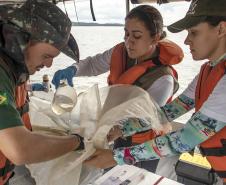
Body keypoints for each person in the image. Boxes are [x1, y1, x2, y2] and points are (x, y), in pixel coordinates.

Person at [84, 0, 226, 183]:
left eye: (194, 32)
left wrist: (116, 156)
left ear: (221, 29)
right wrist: (122, 129)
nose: (186, 40)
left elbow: (186, 138)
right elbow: (167, 112)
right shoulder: (209, 70)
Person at [52, 5, 184, 173]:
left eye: (136, 36)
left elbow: (146, 119)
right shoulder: (121, 52)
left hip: (144, 145)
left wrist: (110, 129)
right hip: (116, 134)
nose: (129, 42)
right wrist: (73, 70)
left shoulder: (163, 79)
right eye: (126, 33)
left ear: (155, 38)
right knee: (111, 177)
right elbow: (93, 64)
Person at [0, 1, 84, 184]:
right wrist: (76, 141)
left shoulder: (13, 67)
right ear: (21, 40)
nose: (48, 65)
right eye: (47, 56)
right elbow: (19, 150)